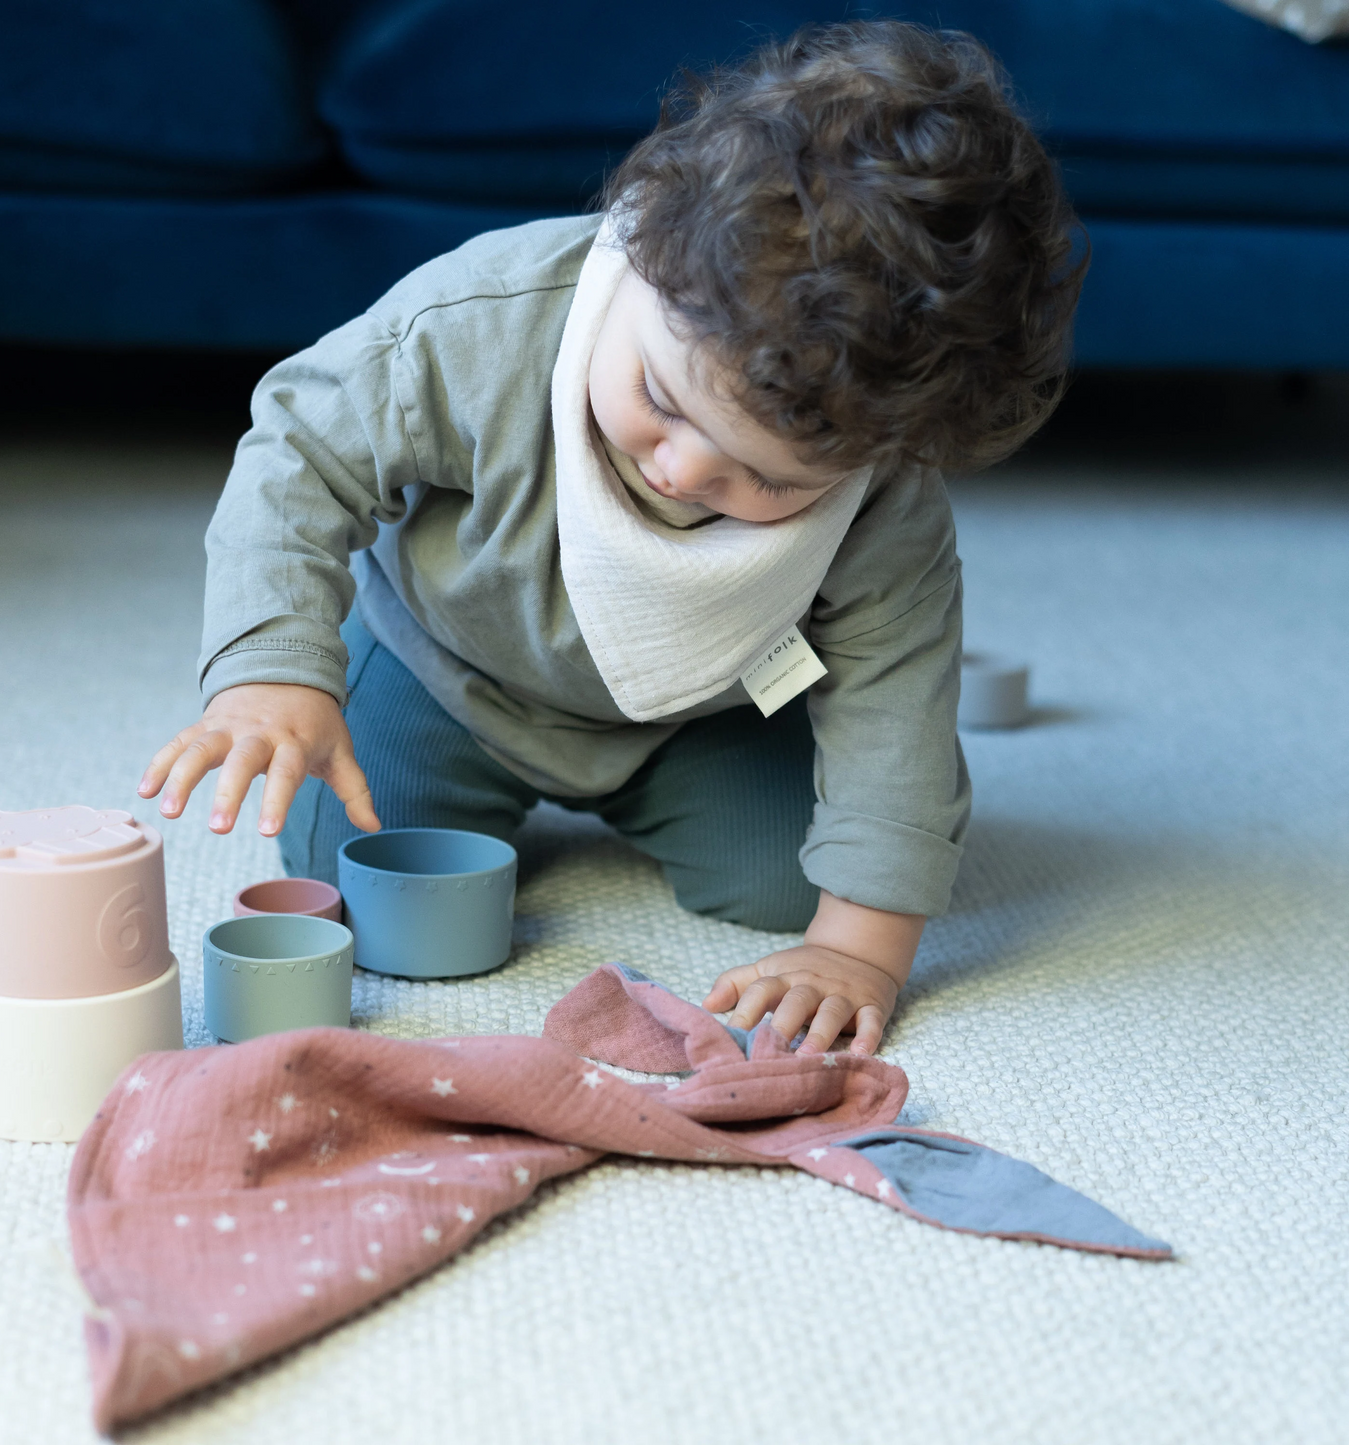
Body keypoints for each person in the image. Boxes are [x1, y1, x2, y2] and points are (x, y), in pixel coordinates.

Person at [138, 20, 1084, 1056]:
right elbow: (301, 452)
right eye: (658, 398)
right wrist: (273, 673)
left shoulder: (882, 499)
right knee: (352, 867)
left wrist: (858, 946)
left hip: (698, 713)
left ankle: (680, 796)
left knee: (793, 887)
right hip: (445, 670)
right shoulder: (482, 325)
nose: (681, 471)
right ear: (641, 247)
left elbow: (895, 697)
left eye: (763, 475)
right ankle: (409, 739)